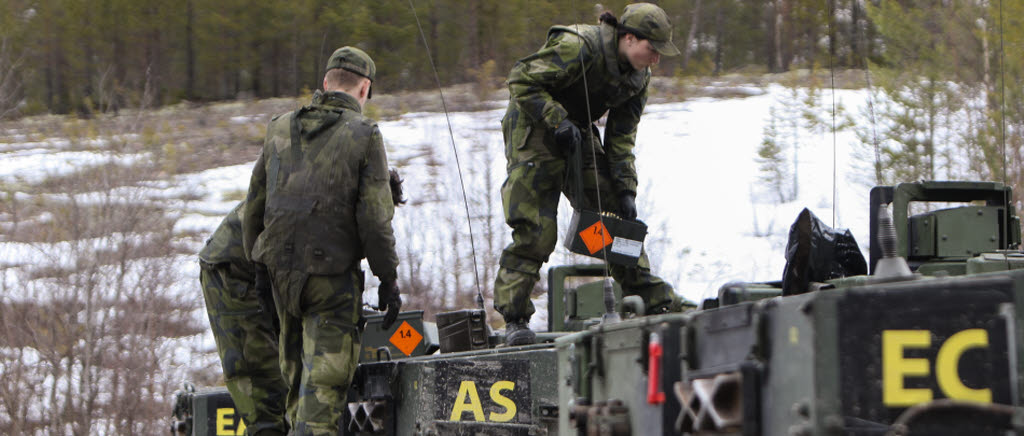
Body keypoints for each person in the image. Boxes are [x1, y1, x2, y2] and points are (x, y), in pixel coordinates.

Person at [494, 3, 689, 345]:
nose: (657, 58)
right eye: (652, 49)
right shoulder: (579, 46)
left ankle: (650, 299)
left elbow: (621, 137)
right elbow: (520, 80)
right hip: (534, 127)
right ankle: (515, 318)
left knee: (613, 216)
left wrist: (626, 188)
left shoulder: (638, 77)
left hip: (577, 130)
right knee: (536, 229)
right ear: (630, 38)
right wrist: (556, 119)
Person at [241, 46, 402, 436]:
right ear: (364, 90)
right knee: (323, 399)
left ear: (326, 83)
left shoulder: (279, 127)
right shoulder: (365, 135)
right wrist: (388, 279)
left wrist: (259, 270)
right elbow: (375, 220)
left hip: (281, 276)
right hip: (331, 282)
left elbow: (254, 208)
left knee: (296, 389)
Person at [198, 172, 406, 436]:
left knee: (296, 394)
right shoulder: (324, 208)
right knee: (266, 397)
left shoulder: (338, 211)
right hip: (232, 272)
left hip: (269, 275)